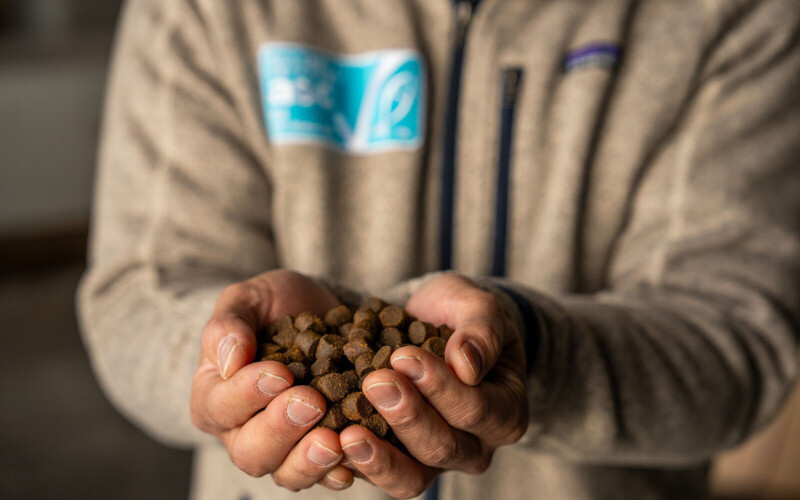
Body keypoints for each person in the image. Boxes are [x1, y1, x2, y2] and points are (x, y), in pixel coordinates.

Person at [77, 0, 800, 499]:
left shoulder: (731, 15)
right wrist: (226, 359)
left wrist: (539, 349)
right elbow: (140, 294)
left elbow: (740, 336)